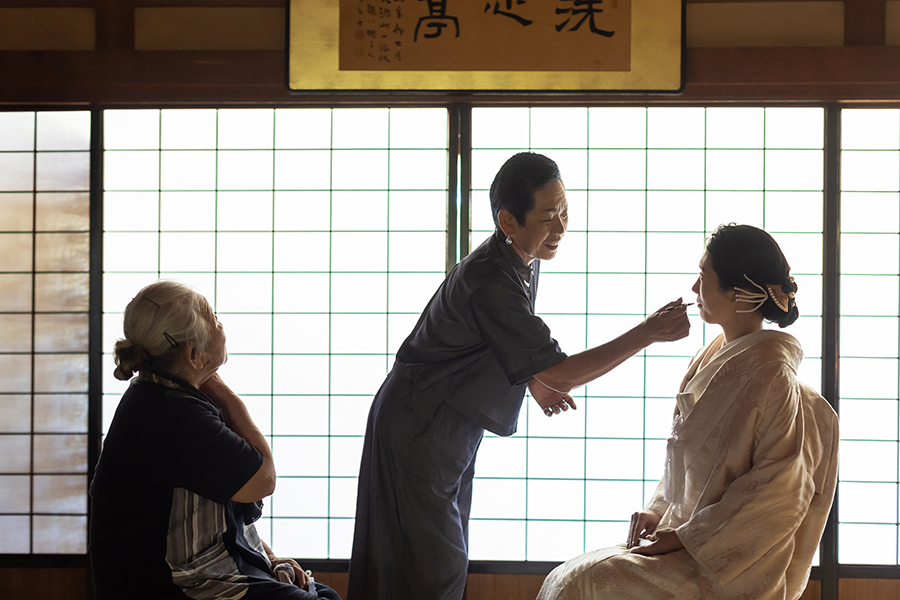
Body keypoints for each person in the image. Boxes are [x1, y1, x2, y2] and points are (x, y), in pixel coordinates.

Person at [347, 152, 691, 600]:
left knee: (430, 562)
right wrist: (647, 332)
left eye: (565, 212)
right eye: (549, 216)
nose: (562, 227)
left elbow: (498, 343)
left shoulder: (518, 260)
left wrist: (534, 379)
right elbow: (560, 370)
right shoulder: (491, 277)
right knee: (429, 569)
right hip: (421, 422)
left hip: (448, 422)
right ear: (508, 221)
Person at [537, 224, 839, 600]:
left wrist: (684, 537)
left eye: (703, 276)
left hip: (724, 564)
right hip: (682, 539)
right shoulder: (708, 357)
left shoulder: (771, 374)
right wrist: (658, 510)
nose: (695, 289)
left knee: (581, 584)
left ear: (738, 292)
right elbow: (685, 463)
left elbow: (779, 492)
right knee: (566, 580)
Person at [89, 280, 341, 600]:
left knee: (323, 595)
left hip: (200, 568)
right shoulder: (169, 412)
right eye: (215, 318)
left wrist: (271, 559)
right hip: (168, 584)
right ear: (194, 354)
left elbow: (224, 511)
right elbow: (262, 479)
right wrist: (223, 392)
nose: (221, 325)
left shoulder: (164, 395)